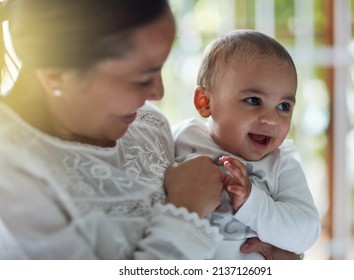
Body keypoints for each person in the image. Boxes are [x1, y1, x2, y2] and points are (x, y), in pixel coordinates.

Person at [0, 0, 229, 260]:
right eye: (142, 78)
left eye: (160, 68)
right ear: (57, 75)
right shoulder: (11, 180)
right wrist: (187, 209)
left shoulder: (149, 125)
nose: (158, 92)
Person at [172, 30, 321, 259]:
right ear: (205, 102)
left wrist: (252, 202)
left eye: (284, 106)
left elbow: (306, 232)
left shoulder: (282, 164)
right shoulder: (182, 138)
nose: (271, 119)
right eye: (254, 100)